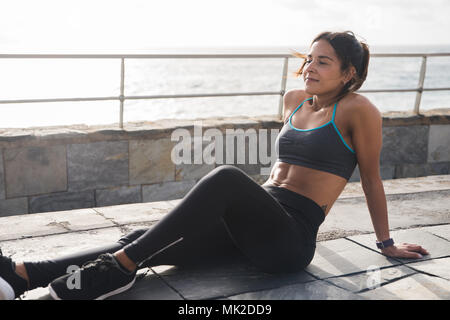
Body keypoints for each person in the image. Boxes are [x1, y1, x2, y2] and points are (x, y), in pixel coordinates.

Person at [0, 31, 429, 300]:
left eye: (323, 61)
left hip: (289, 238)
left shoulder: (359, 110)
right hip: (256, 218)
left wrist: (386, 243)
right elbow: (280, 171)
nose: (309, 68)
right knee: (144, 238)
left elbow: (371, 180)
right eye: (309, 58)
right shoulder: (295, 101)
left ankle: (117, 270)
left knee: (225, 177)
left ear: (349, 72)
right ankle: (23, 276)